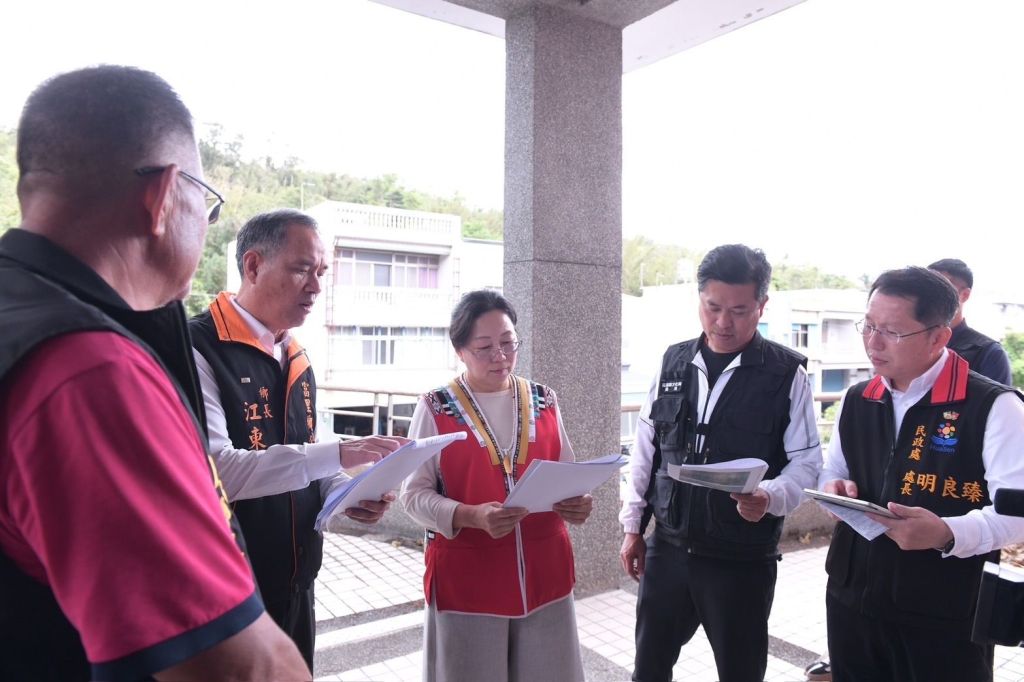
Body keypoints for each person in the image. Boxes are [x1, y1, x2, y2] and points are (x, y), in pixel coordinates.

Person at [0, 66, 309, 681]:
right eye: (206, 203)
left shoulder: (21, 315)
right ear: (164, 196)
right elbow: (240, 669)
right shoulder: (87, 372)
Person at [190, 208, 407, 671]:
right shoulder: (197, 348)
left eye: (321, 272)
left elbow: (309, 454)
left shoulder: (296, 354)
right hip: (228, 593)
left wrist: (345, 494)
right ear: (253, 266)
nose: (316, 287)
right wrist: (342, 452)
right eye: (302, 269)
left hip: (298, 579)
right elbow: (219, 470)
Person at [620, 243, 823, 682]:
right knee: (648, 669)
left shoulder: (786, 374)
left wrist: (769, 496)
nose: (723, 322)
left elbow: (807, 463)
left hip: (740, 558)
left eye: (739, 311)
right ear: (700, 299)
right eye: (713, 307)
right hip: (669, 548)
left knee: (740, 671)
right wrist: (633, 527)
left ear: (761, 306)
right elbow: (646, 451)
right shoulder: (673, 362)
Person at [819, 266, 1024, 682]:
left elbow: (1016, 515)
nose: (873, 342)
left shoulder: (995, 407)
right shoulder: (857, 397)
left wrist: (946, 533)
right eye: (869, 325)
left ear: (938, 337)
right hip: (851, 598)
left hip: (944, 614)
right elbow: (834, 468)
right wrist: (832, 488)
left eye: (892, 332)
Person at [400, 290, 593, 682]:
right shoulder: (436, 407)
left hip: (545, 576)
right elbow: (413, 496)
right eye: (485, 347)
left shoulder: (544, 400)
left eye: (508, 343)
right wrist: (469, 515)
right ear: (460, 350)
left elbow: (568, 474)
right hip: (469, 581)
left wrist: (579, 502)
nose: (500, 356)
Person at [928, 258, 1012, 385]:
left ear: (965, 295)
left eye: (940, 290)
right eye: (925, 290)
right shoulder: (907, 341)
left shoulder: (988, 352)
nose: (929, 297)